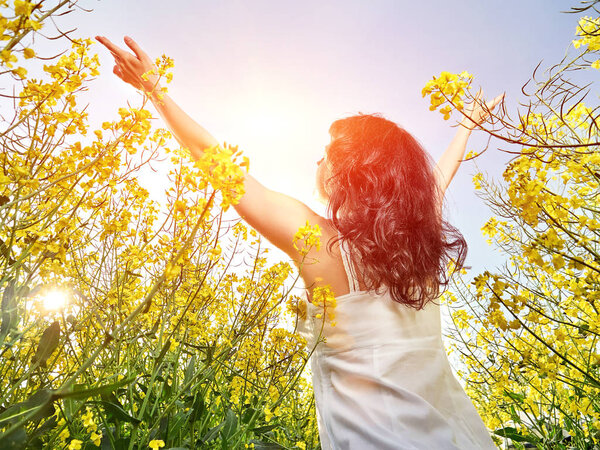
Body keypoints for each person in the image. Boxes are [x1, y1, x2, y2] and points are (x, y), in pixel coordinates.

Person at [96, 35, 502, 449]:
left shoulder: (322, 244)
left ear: (352, 172)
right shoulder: (415, 248)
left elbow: (211, 156)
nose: (318, 160)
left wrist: (154, 90)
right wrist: (467, 127)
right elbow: (432, 184)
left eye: (327, 154)